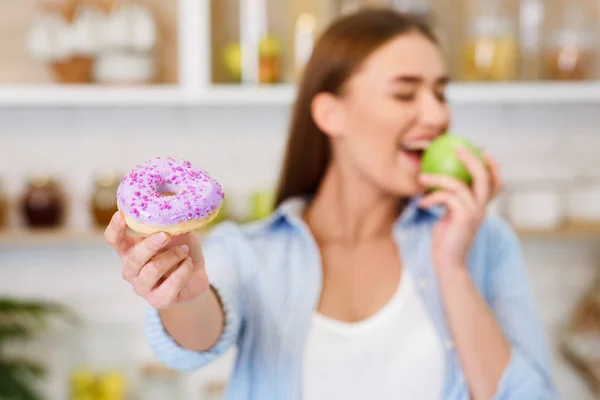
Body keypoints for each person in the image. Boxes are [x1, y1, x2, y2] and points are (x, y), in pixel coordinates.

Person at [104, 9, 557, 400]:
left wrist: (451, 265)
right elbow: (194, 343)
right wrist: (183, 296)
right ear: (329, 114)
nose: (437, 115)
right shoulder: (254, 252)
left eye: (440, 93)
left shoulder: (484, 243)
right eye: (405, 93)